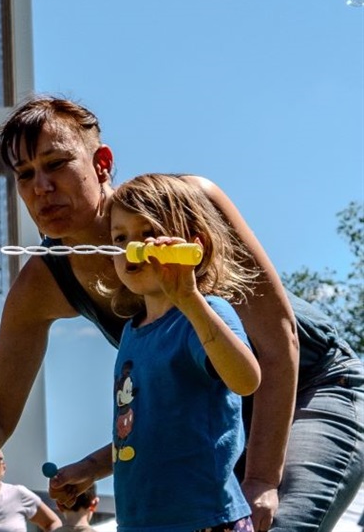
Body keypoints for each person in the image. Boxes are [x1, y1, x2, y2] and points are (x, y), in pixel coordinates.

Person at [0, 97, 364, 532]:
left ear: (102, 163)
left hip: (312, 385)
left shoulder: (185, 204)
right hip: (214, 419)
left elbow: (278, 339)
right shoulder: (43, 280)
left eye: (56, 164)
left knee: (277, 522)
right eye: (25, 174)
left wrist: (263, 479)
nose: (41, 187)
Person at [58, 173, 262, 530]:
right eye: (120, 237)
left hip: (206, 521)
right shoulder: (132, 335)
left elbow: (246, 380)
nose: (131, 246)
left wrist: (190, 300)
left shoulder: (204, 315)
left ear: (193, 245)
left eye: (148, 234)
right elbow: (140, 433)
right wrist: (91, 467)